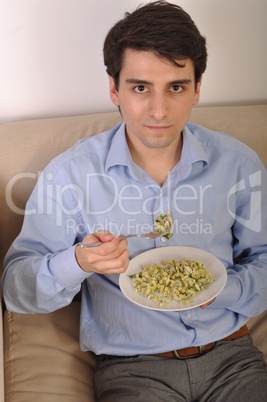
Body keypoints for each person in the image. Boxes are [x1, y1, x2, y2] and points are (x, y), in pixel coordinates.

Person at [2, 1, 267, 401]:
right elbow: (14, 288)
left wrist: (220, 288)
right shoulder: (69, 174)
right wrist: (77, 262)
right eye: (140, 87)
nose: (158, 110)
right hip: (133, 370)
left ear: (197, 89)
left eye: (175, 87)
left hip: (232, 358)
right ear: (114, 89)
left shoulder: (239, 164)